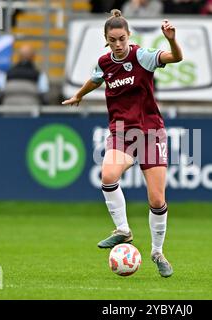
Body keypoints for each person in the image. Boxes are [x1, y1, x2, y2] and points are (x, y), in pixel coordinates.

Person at [62, 9, 183, 278]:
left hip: (151, 132)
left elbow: (176, 57)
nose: (118, 44)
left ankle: (157, 252)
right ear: (106, 39)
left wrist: (171, 40)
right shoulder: (105, 62)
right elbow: (95, 79)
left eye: (122, 39)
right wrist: (78, 95)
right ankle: (123, 230)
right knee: (108, 175)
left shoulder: (141, 56)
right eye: (113, 39)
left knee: (157, 199)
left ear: (129, 37)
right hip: (122, 133)